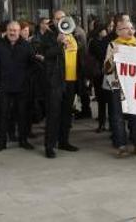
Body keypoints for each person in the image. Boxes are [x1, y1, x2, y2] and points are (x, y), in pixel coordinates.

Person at [35, 9, 83, 159]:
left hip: (72, 80)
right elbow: (46, 54)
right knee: (53, 114)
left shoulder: (74, 34)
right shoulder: (49, 36)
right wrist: (58, 43)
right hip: (56, 80)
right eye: (57, 18)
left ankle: (64, 141)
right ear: (53, 22)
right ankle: (49, 146)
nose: (60, 20)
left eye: (62, 17)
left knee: (67, 113)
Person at [103, 20, 136, 158]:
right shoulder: (113, 45)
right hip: (118, 86)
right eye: (125, 28)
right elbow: (106, 69)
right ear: (118, 31)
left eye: (132, 28)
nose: (130, 31)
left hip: (135, 85)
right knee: (118, 116)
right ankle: (121, 145)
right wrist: (113, 56)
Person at [0, 21, 35, 152]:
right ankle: (2, 142)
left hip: (22, 87)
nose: (12, 32)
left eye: (15, 30)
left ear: (19, 31)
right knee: (3, 115)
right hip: (4, 87)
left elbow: (32, 65)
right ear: (7, 31)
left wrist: (27, 80)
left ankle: (23, 140)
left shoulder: (26, 45)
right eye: (10, 30)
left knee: (22, 115)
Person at [88, 21, 110, 133]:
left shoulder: (99, 41)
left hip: (101, 73)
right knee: (102, 99)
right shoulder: (97, 43)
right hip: (101, 73)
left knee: (103, 100)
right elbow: (102, 55)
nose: (106, 31)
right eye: (104, 30)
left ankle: (102, 124)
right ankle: (102, 123)